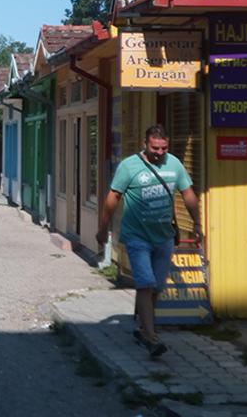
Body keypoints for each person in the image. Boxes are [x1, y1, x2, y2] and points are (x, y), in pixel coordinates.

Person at [96, 124, 201, 359]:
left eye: (164, 148)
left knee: (156, 287)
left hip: (164, 236)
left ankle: (144, 325)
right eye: (155, 148)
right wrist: (103, 229)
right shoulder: (129, 166)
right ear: (145, 144)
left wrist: (196, 223)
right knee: (145, 282)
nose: (160, 153)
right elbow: (112, 198)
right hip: (137, 236)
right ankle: (151, 337)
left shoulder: (174, 164)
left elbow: (188, 194)